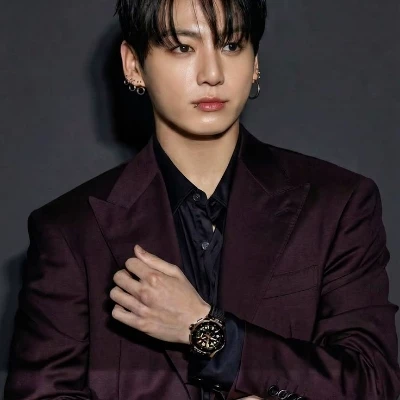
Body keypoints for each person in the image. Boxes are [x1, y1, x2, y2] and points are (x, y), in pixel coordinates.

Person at [4, 0, 400, 399]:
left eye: (231, 45)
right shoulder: (71, 232)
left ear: (255, 62)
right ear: (133, 65)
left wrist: (203, 328)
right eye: (182, 47)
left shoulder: (337, 205)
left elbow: (374, 382)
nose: (212, 74)